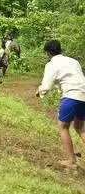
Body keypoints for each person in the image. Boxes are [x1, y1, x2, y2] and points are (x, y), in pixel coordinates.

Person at [36, 40, 85, 169]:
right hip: (83, 94)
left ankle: (71, 160)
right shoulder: (74, 61)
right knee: (79, 127)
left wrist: (40, 91)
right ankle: (72, 159)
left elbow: (46, 86)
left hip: (71, 95)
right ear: (60, 49)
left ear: (48, 53)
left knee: (63, 126)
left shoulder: (51, 64)